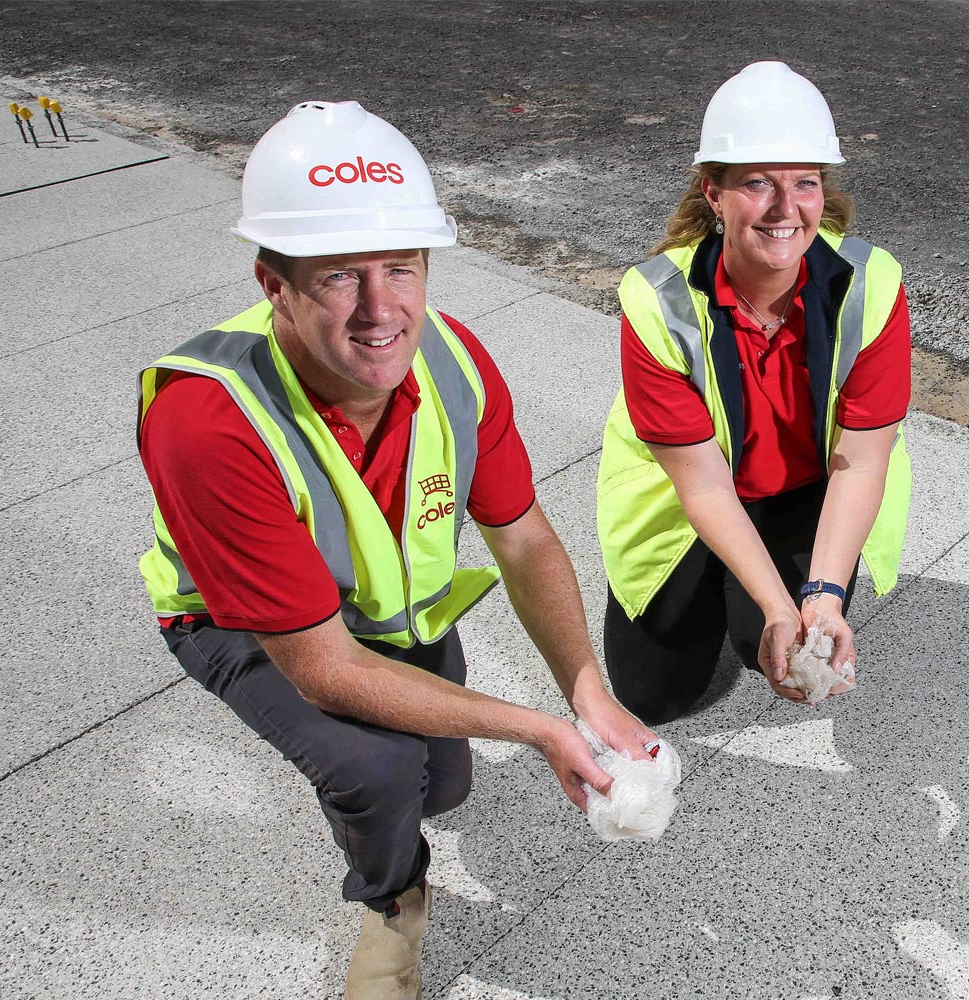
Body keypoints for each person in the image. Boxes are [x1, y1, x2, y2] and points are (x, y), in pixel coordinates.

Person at [136, 101, 656, 1000]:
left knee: (442, 784)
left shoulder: (455, 362)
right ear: (275, 283)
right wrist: (539, 729)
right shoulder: (207, 420)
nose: (383, 311)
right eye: (340, 277)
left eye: (402, 268)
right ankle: (391, 902)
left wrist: (585, 690)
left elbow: (525, 538)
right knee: (378, 771)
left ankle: (392, 816)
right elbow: (325, 667)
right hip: (242, 625)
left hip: (384, 614)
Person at [597, 62, 913, 724]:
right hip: (691, 496)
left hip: (803, 489)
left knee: (761, 646)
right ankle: (721, 575)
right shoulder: (657, 300)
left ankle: (756, 583)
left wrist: (820, 596)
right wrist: (775, 604)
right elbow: (703, 485)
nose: (784, 207)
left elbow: (863, 456)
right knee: (652, 696)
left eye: (804, 183)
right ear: (714, 194)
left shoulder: (870, 286)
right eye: (757, 184)